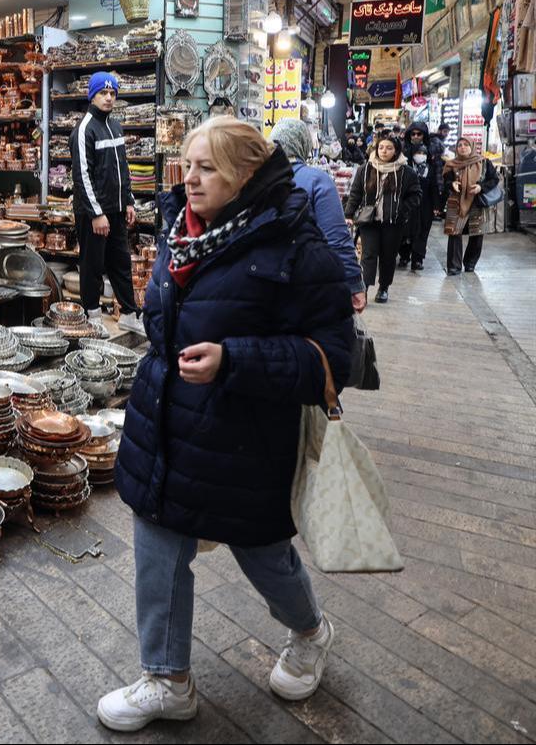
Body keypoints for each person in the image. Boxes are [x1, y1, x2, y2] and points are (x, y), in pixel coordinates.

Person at [101, 117, 353, 732]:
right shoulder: (178, 231)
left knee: (263, 553)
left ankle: (310, 631)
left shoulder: (292, 242)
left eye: (207, 168)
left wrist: (233, 360)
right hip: (165, 421)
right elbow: (161, 318)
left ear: (245, 174)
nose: (189, 179)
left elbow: (332, 357)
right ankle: (167, 679)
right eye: (188, 165)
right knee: (157, 545)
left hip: (245, 436)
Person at [71, 70, 144, 335]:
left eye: (112, 93)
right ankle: (92, 317)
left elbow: (123, 167)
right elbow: (82, 176)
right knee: (92, 265)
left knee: (120, 262)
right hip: (93, 213)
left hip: (116, 208)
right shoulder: (84, 129)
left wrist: (129, 201)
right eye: (103, 93)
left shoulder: (115, 126)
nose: (109, 98)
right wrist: (96, 214)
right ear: (92, 96)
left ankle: (129, 314)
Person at [269, 119, 366, 311]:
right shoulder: (316, 180)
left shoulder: (253, 177)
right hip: (304, 282)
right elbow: (336, 237)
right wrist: (354, 282)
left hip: (259, 283)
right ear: (303, 144)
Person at [344, 137, 420, 303]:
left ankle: (384, 287)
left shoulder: (406, 172)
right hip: (369, 221)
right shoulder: (366, 169)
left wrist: (402, 208)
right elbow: (356, 193)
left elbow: (415, 195)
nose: (384, 151)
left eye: (389, 148)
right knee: (368, 255)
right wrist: (348, 214)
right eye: (381, 147)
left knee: (388, 256)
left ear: (396, 151)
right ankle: (364, 288)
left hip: (393, 222)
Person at [442, 136, 500, 275]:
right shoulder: (451, 164)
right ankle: (454, 267)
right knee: (454, 233)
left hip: (477, 202)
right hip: (457, 203)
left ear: (472, 146)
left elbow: (494, 179)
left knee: (477, 234)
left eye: (466, 145)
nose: (462, 147)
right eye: (460, 145)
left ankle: (470, 263)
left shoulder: (484, 162)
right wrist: (452, 184)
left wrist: (481, 187)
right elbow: (445, 182)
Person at [398, 122, 442, 270]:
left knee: (422, 231)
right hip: (407, 201)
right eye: (413, 134)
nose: (416, 136)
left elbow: (435, 183)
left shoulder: (432, 159)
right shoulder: (403, 155)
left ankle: (418, 259)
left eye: (419, 134)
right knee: (404, 230)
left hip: (425, 203)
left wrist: (437, 205)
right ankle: (404, 255)